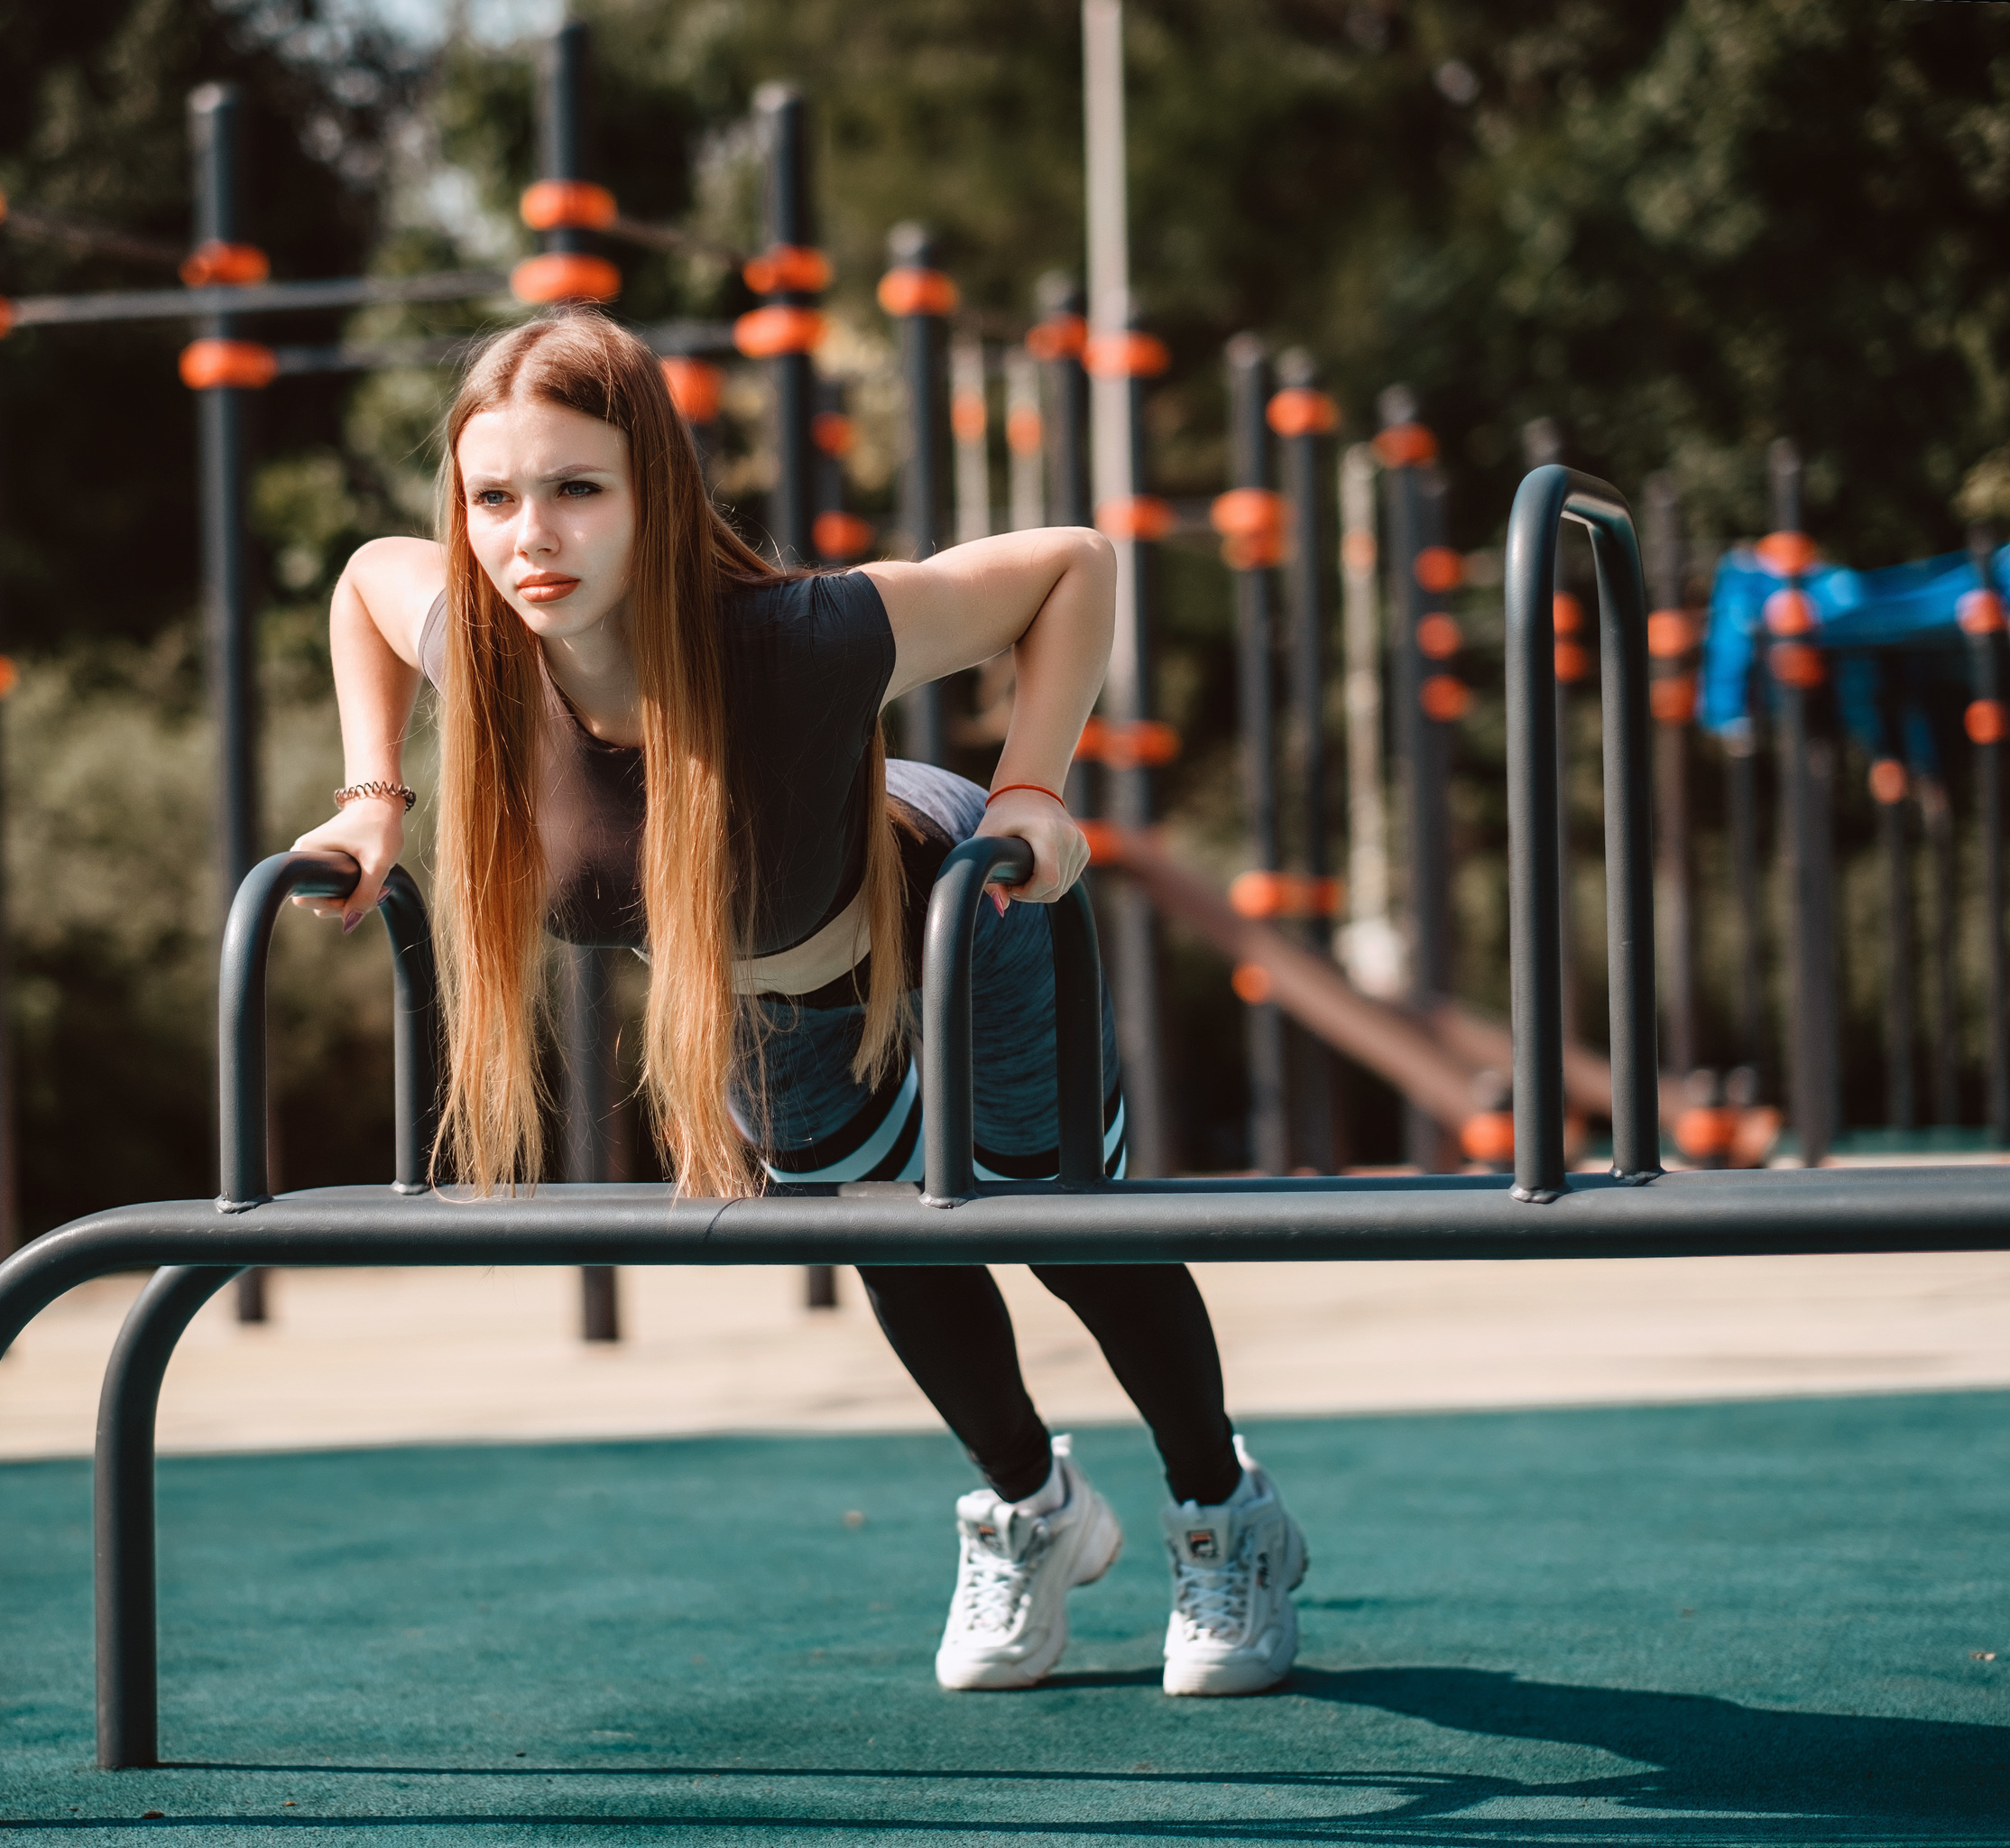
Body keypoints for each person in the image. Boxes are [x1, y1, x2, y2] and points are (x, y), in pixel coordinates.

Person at [292, 308, 1306, 1696]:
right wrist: (372, 800)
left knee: (1060, 1224)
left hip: (958, 913)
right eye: (495, 498)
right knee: (884, 1232)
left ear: (657, 494)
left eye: (578, 489)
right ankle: (1036, 1508)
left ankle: (1225, 1515)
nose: (532, 537)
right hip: (757, 988)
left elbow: (1071, 564)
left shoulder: (801, 638)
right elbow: (365, 579)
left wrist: (1029, 789)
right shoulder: (482, 641)